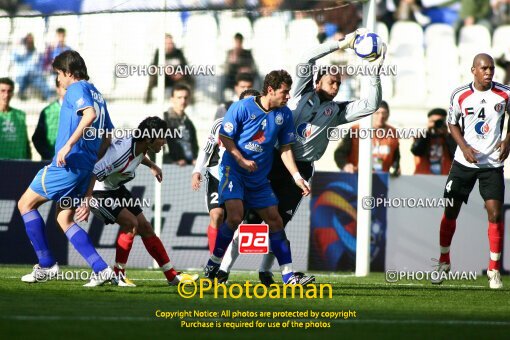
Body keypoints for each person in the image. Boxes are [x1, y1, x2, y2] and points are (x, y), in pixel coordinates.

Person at [216, 29, 385, 285]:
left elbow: (371, 105)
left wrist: (373, 71)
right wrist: (342, 44)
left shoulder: (336, 111)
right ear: (317, 82)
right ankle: (222, 271)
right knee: (249, 221)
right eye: (332, 82)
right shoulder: (300, 93)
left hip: (301, 169)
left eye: (339, 83)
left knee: (278, 222)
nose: (336, 87)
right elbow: (306, 59)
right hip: (273, 161)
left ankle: (266, 272)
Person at [204, 69, 315, 285]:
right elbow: (225, 137)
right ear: (270, 90)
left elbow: (285, 149)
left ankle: (288, 275)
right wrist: (241, 160)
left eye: (289, 92)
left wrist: (297, 177)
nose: (288, 96)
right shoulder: (242, 107)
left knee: (276, 221)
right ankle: (215, 262)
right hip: (233, 170)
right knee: (235, 217)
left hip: (258, 178)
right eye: (284, 92)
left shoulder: (284, 115)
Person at [17, 50, 116, 287]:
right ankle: (101, 269)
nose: (58, 80)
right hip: (83, 167)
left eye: (58, 74)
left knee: (25, 204)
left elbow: (89, 115)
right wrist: (90, 160)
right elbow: (107, 138)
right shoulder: (98, 94)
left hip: (66, 164)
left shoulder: (76, 89)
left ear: (68, 72)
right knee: (64, 218)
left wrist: (68, 146)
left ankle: (46, 265)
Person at [80, 117, 198, 287]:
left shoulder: (140, 145)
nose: (164, 142)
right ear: (149, 138)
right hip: (97, 191)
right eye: (162, 138)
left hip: (115, 188)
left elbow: (139, 154)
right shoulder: (119, 155)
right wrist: (86, 201)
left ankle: (172, 276)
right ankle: (118, 275)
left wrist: (151, 166)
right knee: (131, 223)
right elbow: (94, 172)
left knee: (146, 228)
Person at [432, 53, 509, 289]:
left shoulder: (505, 93)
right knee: (451, 210)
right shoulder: (460, 95)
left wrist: (508, 140)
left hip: (492, 164)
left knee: (495, 214)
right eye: (484, 68)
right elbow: (451, 123)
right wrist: (463, 147)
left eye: (492, 69)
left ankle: (494, 270)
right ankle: (444, 260)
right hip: (464, 163)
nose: (488, 72)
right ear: (473, 70)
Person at [192, 89, 261, 254]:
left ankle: (222, 262)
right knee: (216, 215)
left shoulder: (261, 129)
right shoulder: (221, 123)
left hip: (241, 178)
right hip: (217, 174)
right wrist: (196, 170)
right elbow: (207, 149)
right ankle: (213, 263)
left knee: (234, 220)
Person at [334, 101, 400, 176]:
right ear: (371, 114)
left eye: (384, 113)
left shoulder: (393, 133)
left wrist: (396, 167)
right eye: (377, 113)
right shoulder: (355, 130)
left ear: (388, 114)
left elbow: (396, 157)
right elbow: (339, 153)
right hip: (357, 178)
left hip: (383, 179)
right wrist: (345, 166)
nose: (381, 116)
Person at [145, 34, 193, 103]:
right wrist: (165, 70)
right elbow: (153, 67)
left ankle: (189, 101)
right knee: (153, 76)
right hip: (163, 78)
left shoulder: (178, 52)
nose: (169, 45)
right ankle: (148, 101)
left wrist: (180, 74)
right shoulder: (159, 52)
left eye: (170, 43)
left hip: (176, 79)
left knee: (188, 78)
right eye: (167, 43)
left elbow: (185, 66)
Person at [411, 108, 456, 175]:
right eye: (432, 121)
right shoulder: (421, 136)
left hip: (444, 178)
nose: (435, 124)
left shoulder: (452, 138)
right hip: (423, 177)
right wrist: (428, 133)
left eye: (439, 122)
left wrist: (446, 135)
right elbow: (416, 151)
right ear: (428, 122)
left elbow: (456, 155)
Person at [163, 84, 198, 165]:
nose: (183, 101)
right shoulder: (164, 120)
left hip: (189, 166)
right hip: (170, 168)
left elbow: (195, 146)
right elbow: (153, 148)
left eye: (185, 98)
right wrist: (170, 162)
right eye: (179, 98)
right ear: (172, 99)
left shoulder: (189, 122)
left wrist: (194, 159)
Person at [32, 79, 66, 160]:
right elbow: (37, 139)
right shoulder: (47, 112)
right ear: (58, 89)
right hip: (51, 164)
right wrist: (50, 157)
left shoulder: (82, 111)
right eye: (65, 88)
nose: (68, 91)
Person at [12, 33, 52, 100]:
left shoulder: (37, 52)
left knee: (43, 85)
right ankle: (20, 96)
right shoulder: (21, 51)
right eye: (28, 41)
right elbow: (14, 58)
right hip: (23, 76)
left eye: (31, 41)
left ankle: (48, 98)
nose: (30, 43)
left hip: (34, 76)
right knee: (21, 82)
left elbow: (41, 65)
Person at [0, 77, 31, 160]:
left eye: (9, 91)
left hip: (18, 163)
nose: (6, 95)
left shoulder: (20, 115)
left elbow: (26, 142)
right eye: (2, 91)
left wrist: (28, 160)